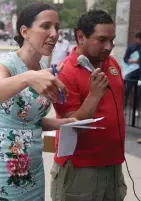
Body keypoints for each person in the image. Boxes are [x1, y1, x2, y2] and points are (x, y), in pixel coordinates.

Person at [0, 2, 77, 201]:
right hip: (2, 164)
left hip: (33, 165)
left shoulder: (43, 65)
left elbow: (28, 120)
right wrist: (29, 77)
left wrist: (62, 124)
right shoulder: (3, 63)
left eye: (56, 27)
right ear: (25, 31)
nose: (54, 33)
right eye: (46, 26)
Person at [51, 10, 127, 201]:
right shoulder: (65, 72)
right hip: (80, 169)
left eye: (112, 39)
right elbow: (72, 126)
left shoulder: (112, 64)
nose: (108, 46)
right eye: (101, 40)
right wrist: (94, 96)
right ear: (80, 37)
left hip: (113, 165)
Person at [123, 31, 141, 118]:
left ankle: (137, 110)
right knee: (126, 91)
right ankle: (123, 109)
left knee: (138, 93)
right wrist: (134, 61)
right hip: (131, 73)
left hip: (140, 75)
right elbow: (125, 59)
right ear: (137, 39)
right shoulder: (131, 47)